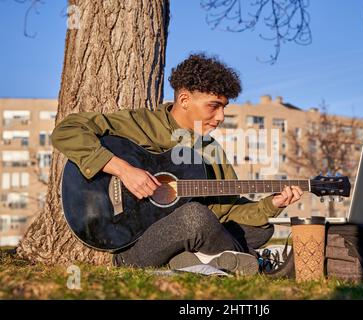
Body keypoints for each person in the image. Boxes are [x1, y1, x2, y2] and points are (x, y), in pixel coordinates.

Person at [50, 53, 303, 275]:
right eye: (214, 106)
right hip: (130, 246)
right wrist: (123, 170)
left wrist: (272, 204)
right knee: (194, 218)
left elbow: (226, 211)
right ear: (184, 100)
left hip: (194, 233)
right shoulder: (140, 123)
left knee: (262, 230)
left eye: (224, 108)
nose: (221, 117)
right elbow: (66, 130)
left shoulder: (210, 150)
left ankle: (193, 261)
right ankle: (251, 263)